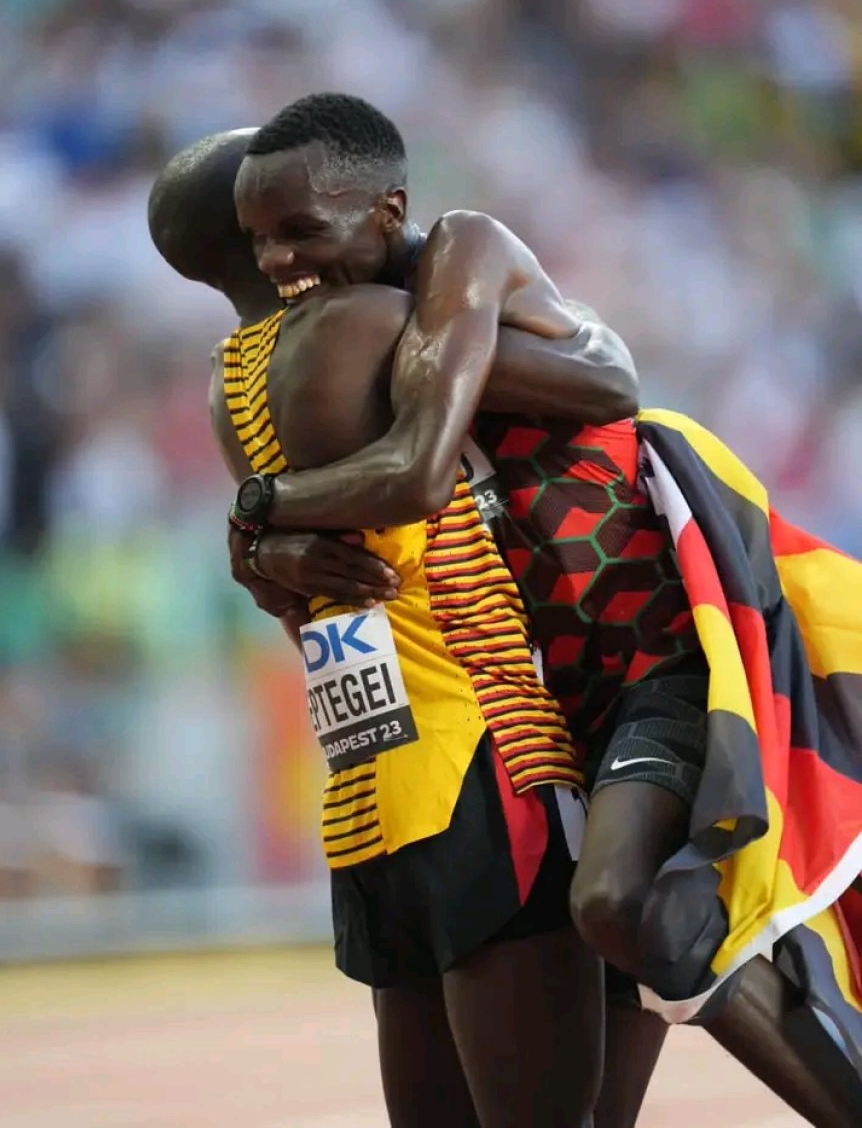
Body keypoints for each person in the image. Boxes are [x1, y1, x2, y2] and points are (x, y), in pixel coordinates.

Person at [225, 93, 862, 1126]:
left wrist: (256, 510)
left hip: (658, 655)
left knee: (619, 902)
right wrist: (270, 544)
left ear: (389, 209)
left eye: (303, 230)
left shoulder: (459, 259)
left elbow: (419, 469)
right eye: (257, 240)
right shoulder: (354, 328)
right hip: (563, 696)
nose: (277, 262)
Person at [149, 128, 667, 1128]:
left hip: (367, 779)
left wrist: (252, 529)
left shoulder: (228, 384)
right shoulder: (373, 323)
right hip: (489, 752)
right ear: (256, 229)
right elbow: (607, 380)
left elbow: (292, 537)